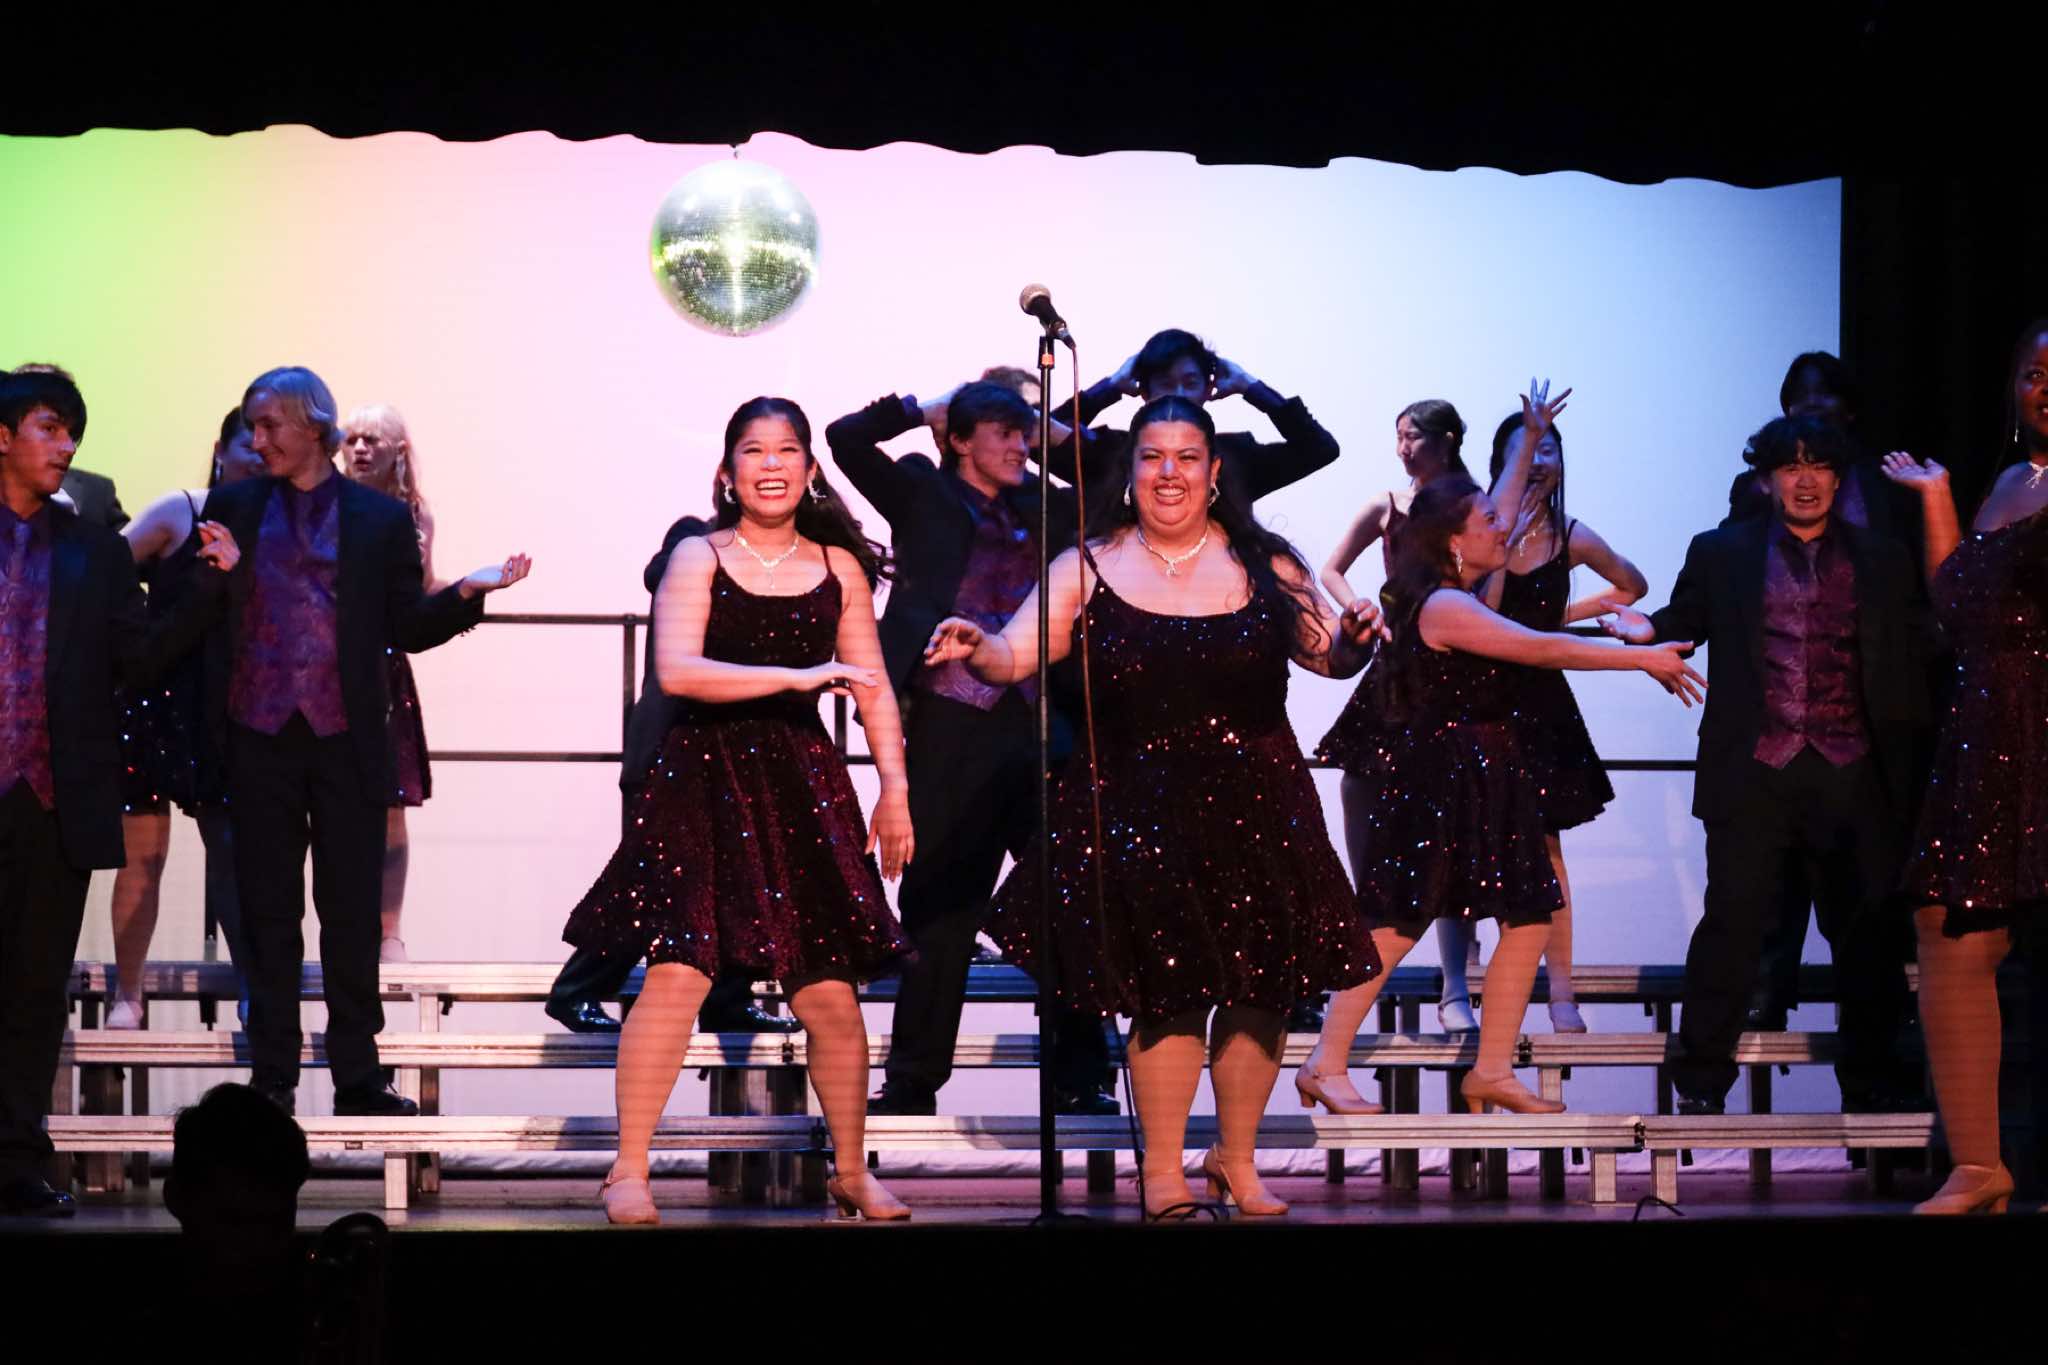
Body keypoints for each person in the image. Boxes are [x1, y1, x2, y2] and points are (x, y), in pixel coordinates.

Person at [929, 395, 1385, 1220]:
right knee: (1167, 990)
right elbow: (1014, 652)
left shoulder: (1266, 564)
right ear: (1130, 472)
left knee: (1261, 989)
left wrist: (1354, 638)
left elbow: (1329, 656)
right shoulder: (1087, 564)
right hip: (1140, 809)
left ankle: (1235, 1160)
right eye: (1152, 456)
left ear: (1214, 473)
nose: (1169, 472)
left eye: (1186, 457)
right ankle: (1165, 1170)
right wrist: (979, 647)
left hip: (1259, 805)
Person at [1299, 387, 1702, 1121]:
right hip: (1439, 777)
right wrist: (1641, 659)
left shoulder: (1457, 579)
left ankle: (1490, 1070)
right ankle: (1324, 1063)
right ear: (1457, 540)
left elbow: (1503, 512)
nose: (1504, 524)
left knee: (1530, 912)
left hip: (1483, 769)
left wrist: (1528, 444)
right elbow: (1544, 648)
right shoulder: (1448, 605)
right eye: (1487, 521)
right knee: (1398, 920)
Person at [563, 397, 914, 1225]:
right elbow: (678, 670)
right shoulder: (699, 554)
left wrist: (895, 788)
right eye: (754, 451)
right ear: (727, 471)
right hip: (703, 776)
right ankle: (628, 1169)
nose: (771, 464)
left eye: (787, 450)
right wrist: (797, 677)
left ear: (810, 468)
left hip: (800, 783)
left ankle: (850, 1171)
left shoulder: (837, 565)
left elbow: (873, 689)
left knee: (829, 992)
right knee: (678, 974)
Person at [197, 367, 531, 1118]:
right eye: (253, 426)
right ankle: (272, 1073)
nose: (257, 439)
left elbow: (406, 624)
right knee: (268, 913)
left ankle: (357, 1074)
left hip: (345, 737)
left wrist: (466, 593)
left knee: (350, 913)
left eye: (269, 425)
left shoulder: (377, 520)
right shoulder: (234, 506)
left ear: (314, 426)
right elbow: (202, 612)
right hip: (256, 733)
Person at [1605, 414, 1927, 1115]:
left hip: (1852, 771)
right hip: (1755, 769)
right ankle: (1700, 1082)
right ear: (1767, 478)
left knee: (1867, 934)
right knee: (1733, 924)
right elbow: (1684, 617)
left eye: (1818, 465)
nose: (1805, 480)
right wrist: (1646, 628)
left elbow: (1910, 658)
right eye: (1790, 466)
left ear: (1838, 478)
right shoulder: (1723, 551)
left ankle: (1871, 1085)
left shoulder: (1882, 557)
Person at [825, 381, 1118, 1116]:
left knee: (1069, 896)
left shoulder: (1046, 506)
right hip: (948, 723)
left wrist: (1051, 431)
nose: (1020, 446)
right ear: (959, 440)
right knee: (940, 903)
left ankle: (1082, 1073)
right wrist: (920, 409)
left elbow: (1111, 477)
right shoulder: (921, 492)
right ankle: (913, 1078)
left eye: (1024, 434)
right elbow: (845, 438)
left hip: (1042, 729)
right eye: (1004, 432)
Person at [0, 366, 237, 1217]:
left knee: (35, 992)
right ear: (2, 437)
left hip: (51, 800)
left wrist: (208, 585)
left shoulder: (94, 550)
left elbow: (138, 655)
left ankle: (16, 1159)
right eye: (49, 427)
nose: (66, 445)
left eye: (73, 431)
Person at [1877, 319, 2048, 1214]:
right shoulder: (2014, 481)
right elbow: (1955, 604)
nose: (2046, 387)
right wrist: (1939, 496)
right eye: (2034, 372)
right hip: (1988, 726)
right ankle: (1980, 1164)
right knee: (1948, 929)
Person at [543, 507, 801, 1037]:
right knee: (652, 877)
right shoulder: (693, 540)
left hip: (734, 751)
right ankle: (578, 987)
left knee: (741, 878)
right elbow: (660, 574)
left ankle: (728, 998)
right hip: (671, 747)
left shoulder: (780, 561)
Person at [1729, 352, 1924, 1031]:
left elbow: (1919, 584)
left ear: (1850, 411)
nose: (1812, 406)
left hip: (1866, 709)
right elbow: (1731, 575)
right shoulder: (1757, 488)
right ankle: (1768, 988)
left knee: (1865, 888)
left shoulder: (1888, 485)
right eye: (1799, 397)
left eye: (1825, 395)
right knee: (1777, 869)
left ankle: (1876, 1028)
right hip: (1783, 706)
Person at [1469, 411, 1649, 1032]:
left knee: (1547, 850)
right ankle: (1473, 989)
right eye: (1525, 451)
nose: (1539, 462)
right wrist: (1502, 538)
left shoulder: (1572, 534)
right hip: (1481, 703)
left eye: (1549, 450)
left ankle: (1562, 993)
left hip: (1541, 706)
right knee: (1478, 845)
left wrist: (1565, 617)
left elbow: (1632, 584)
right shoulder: (1477, 531)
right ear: (1501, 466)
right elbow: (1483, 608)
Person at [1317, 398, 1482, 1031]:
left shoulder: (1473, 504)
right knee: (1358, 780)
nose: (1403, 448)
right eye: (1398, 437)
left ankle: (1456, 982)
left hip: (1456, 665)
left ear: (1445, 439)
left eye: (1412, 436)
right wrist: (1358, 605)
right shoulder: (1388, 505)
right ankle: (1371, 920)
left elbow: (1492, 583)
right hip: (1395, 664)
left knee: (1452, 814)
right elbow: (1332, 569)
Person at [102, 408, 266, 1028]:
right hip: (156, 698)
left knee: (234, 853)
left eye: (270, 444)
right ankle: (128, 995)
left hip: (225, 707)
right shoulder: (181, 510)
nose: (261, 456)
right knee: (141, 854)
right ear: (222, 450)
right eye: (250, 445)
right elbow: (102, 572)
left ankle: (253, 990)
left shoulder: (277, 523)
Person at [337, 404, 437, 963]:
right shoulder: (326, 503)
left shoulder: (415, 514)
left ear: (397, 450)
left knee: (392, 805)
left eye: (371, 440)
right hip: (327, 663)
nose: (359, 449)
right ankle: (345, 927)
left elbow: (419, 590)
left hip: (384, 664)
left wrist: (469, 592)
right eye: (351, 438)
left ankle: (390, 929)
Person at [1050, 328, 1340, 501]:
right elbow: (1037, 435)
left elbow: (1319, 449)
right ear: (1145, 391)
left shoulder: (1236, 457)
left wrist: (1250, 386)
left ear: (1207, 390)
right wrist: (1110, 387)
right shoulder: (1114, 453)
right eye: (1165, 384)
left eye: (1190, 384)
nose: (1178, 394)